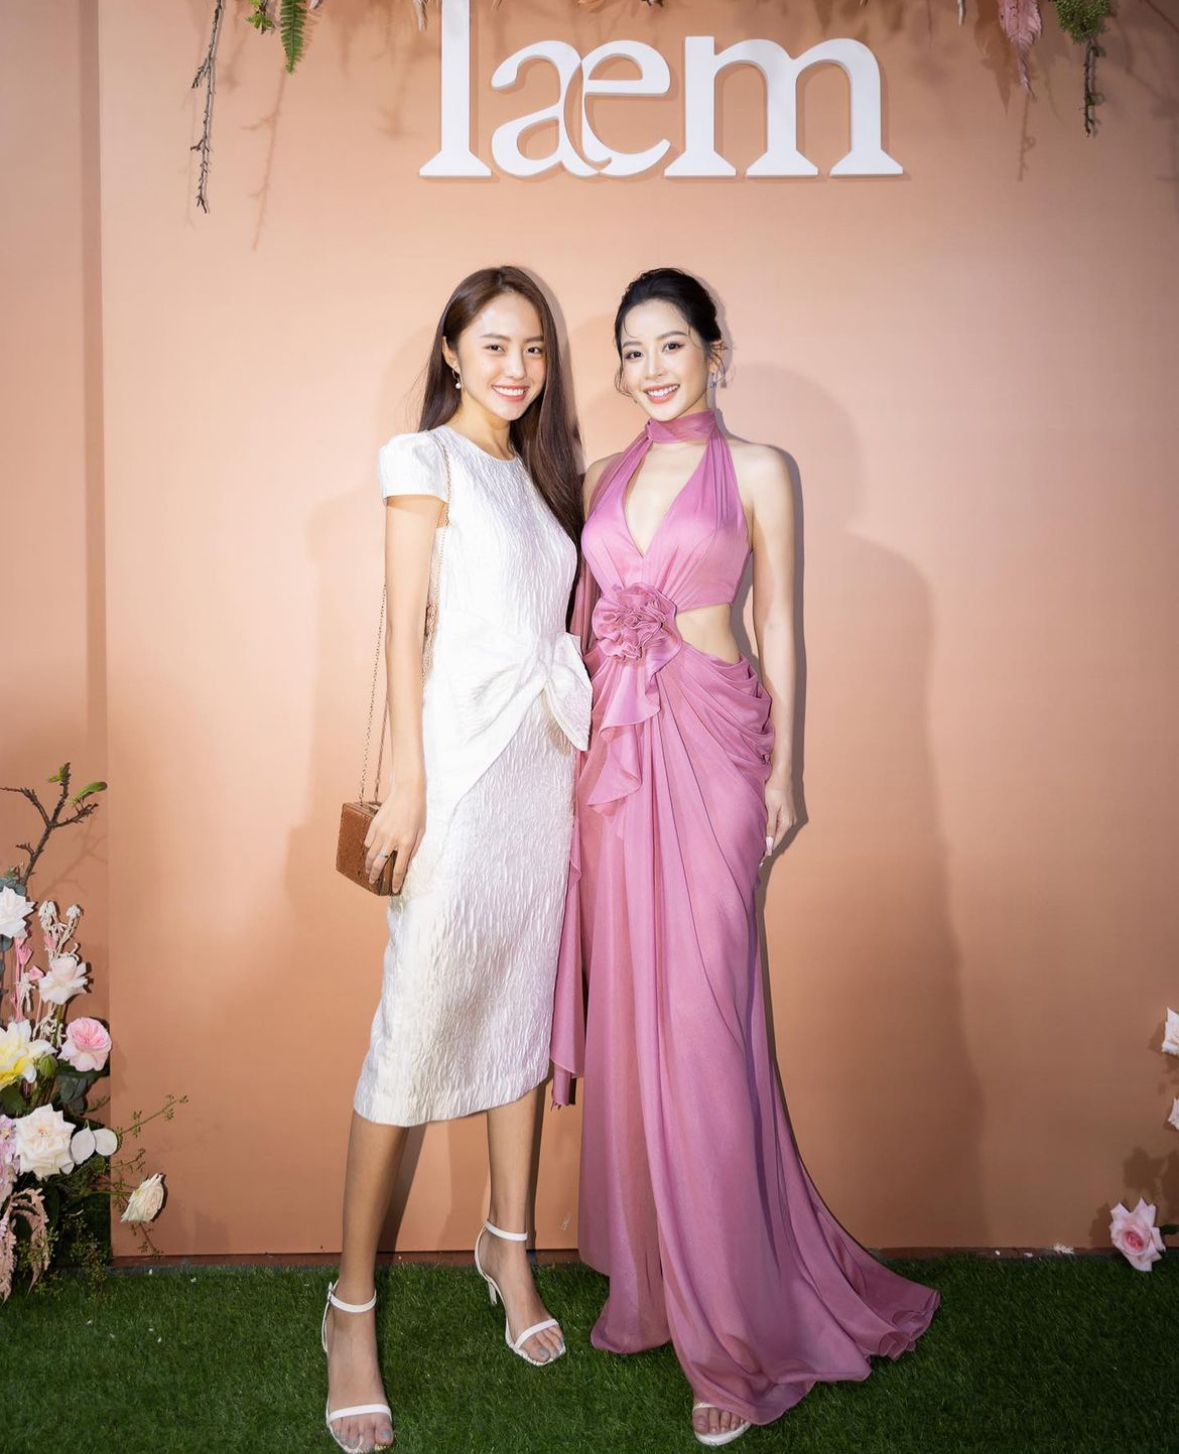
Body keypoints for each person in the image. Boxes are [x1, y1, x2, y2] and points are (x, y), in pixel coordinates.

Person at [552, 267, 939, 1447]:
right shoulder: (600, 479)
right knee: (634, 1014)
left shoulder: (763, 468)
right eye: (632, 351)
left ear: (716, 351)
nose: (650, 369)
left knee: (707, 1021)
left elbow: (780, 623)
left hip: (716, 748)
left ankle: (732, 1329)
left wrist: (785, 772)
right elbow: (568, 628)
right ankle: (657, 1280)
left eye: (671, 344)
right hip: (616, 764)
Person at [323, 267, 591, 1453]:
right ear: (451, 349)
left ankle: (507, 1246)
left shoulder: (539, 481)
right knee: (414, 1030)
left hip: (543, 781)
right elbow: (402, 632)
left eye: (532, 348)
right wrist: (408, 785)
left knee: (521, 1015)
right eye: (494, 345)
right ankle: (350, 1306)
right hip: (458, 776)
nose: (516, 367)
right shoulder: (421, 459)